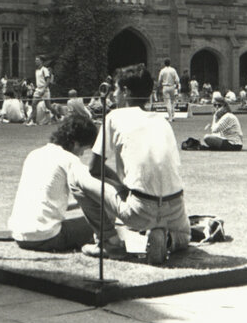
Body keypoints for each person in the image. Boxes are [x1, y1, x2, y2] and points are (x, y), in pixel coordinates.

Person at [77, 63, 191, 265]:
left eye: (116, 89)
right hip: (175, 207)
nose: (113, 94)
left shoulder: (114, 117)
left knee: (79, 178)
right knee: (185, 236)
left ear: (126, 92)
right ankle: (168, 239)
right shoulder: (162, 120)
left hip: (140, 208)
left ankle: (107, 242)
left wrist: (119, 186)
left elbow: (95, 168)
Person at [7, 113, 100, 253]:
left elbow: (47, 200)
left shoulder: (34, 154)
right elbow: (94, 191)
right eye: (83, 149)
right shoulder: (69, 159)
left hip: (19, 234)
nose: (81, 154)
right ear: (75, 143)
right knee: (106, 220)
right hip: (47, 238)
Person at [31, 56, 53, 124]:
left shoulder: (45, 69)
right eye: (35, 60)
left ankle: (58, 115)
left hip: (45, 90)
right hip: (38, 90)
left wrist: (44, 89)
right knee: (33, 104)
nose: (36, 61)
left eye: (37, 60)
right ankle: (33, 121)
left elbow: (48, 80)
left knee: (48, 106)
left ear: (41, 61)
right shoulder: (36, 70)